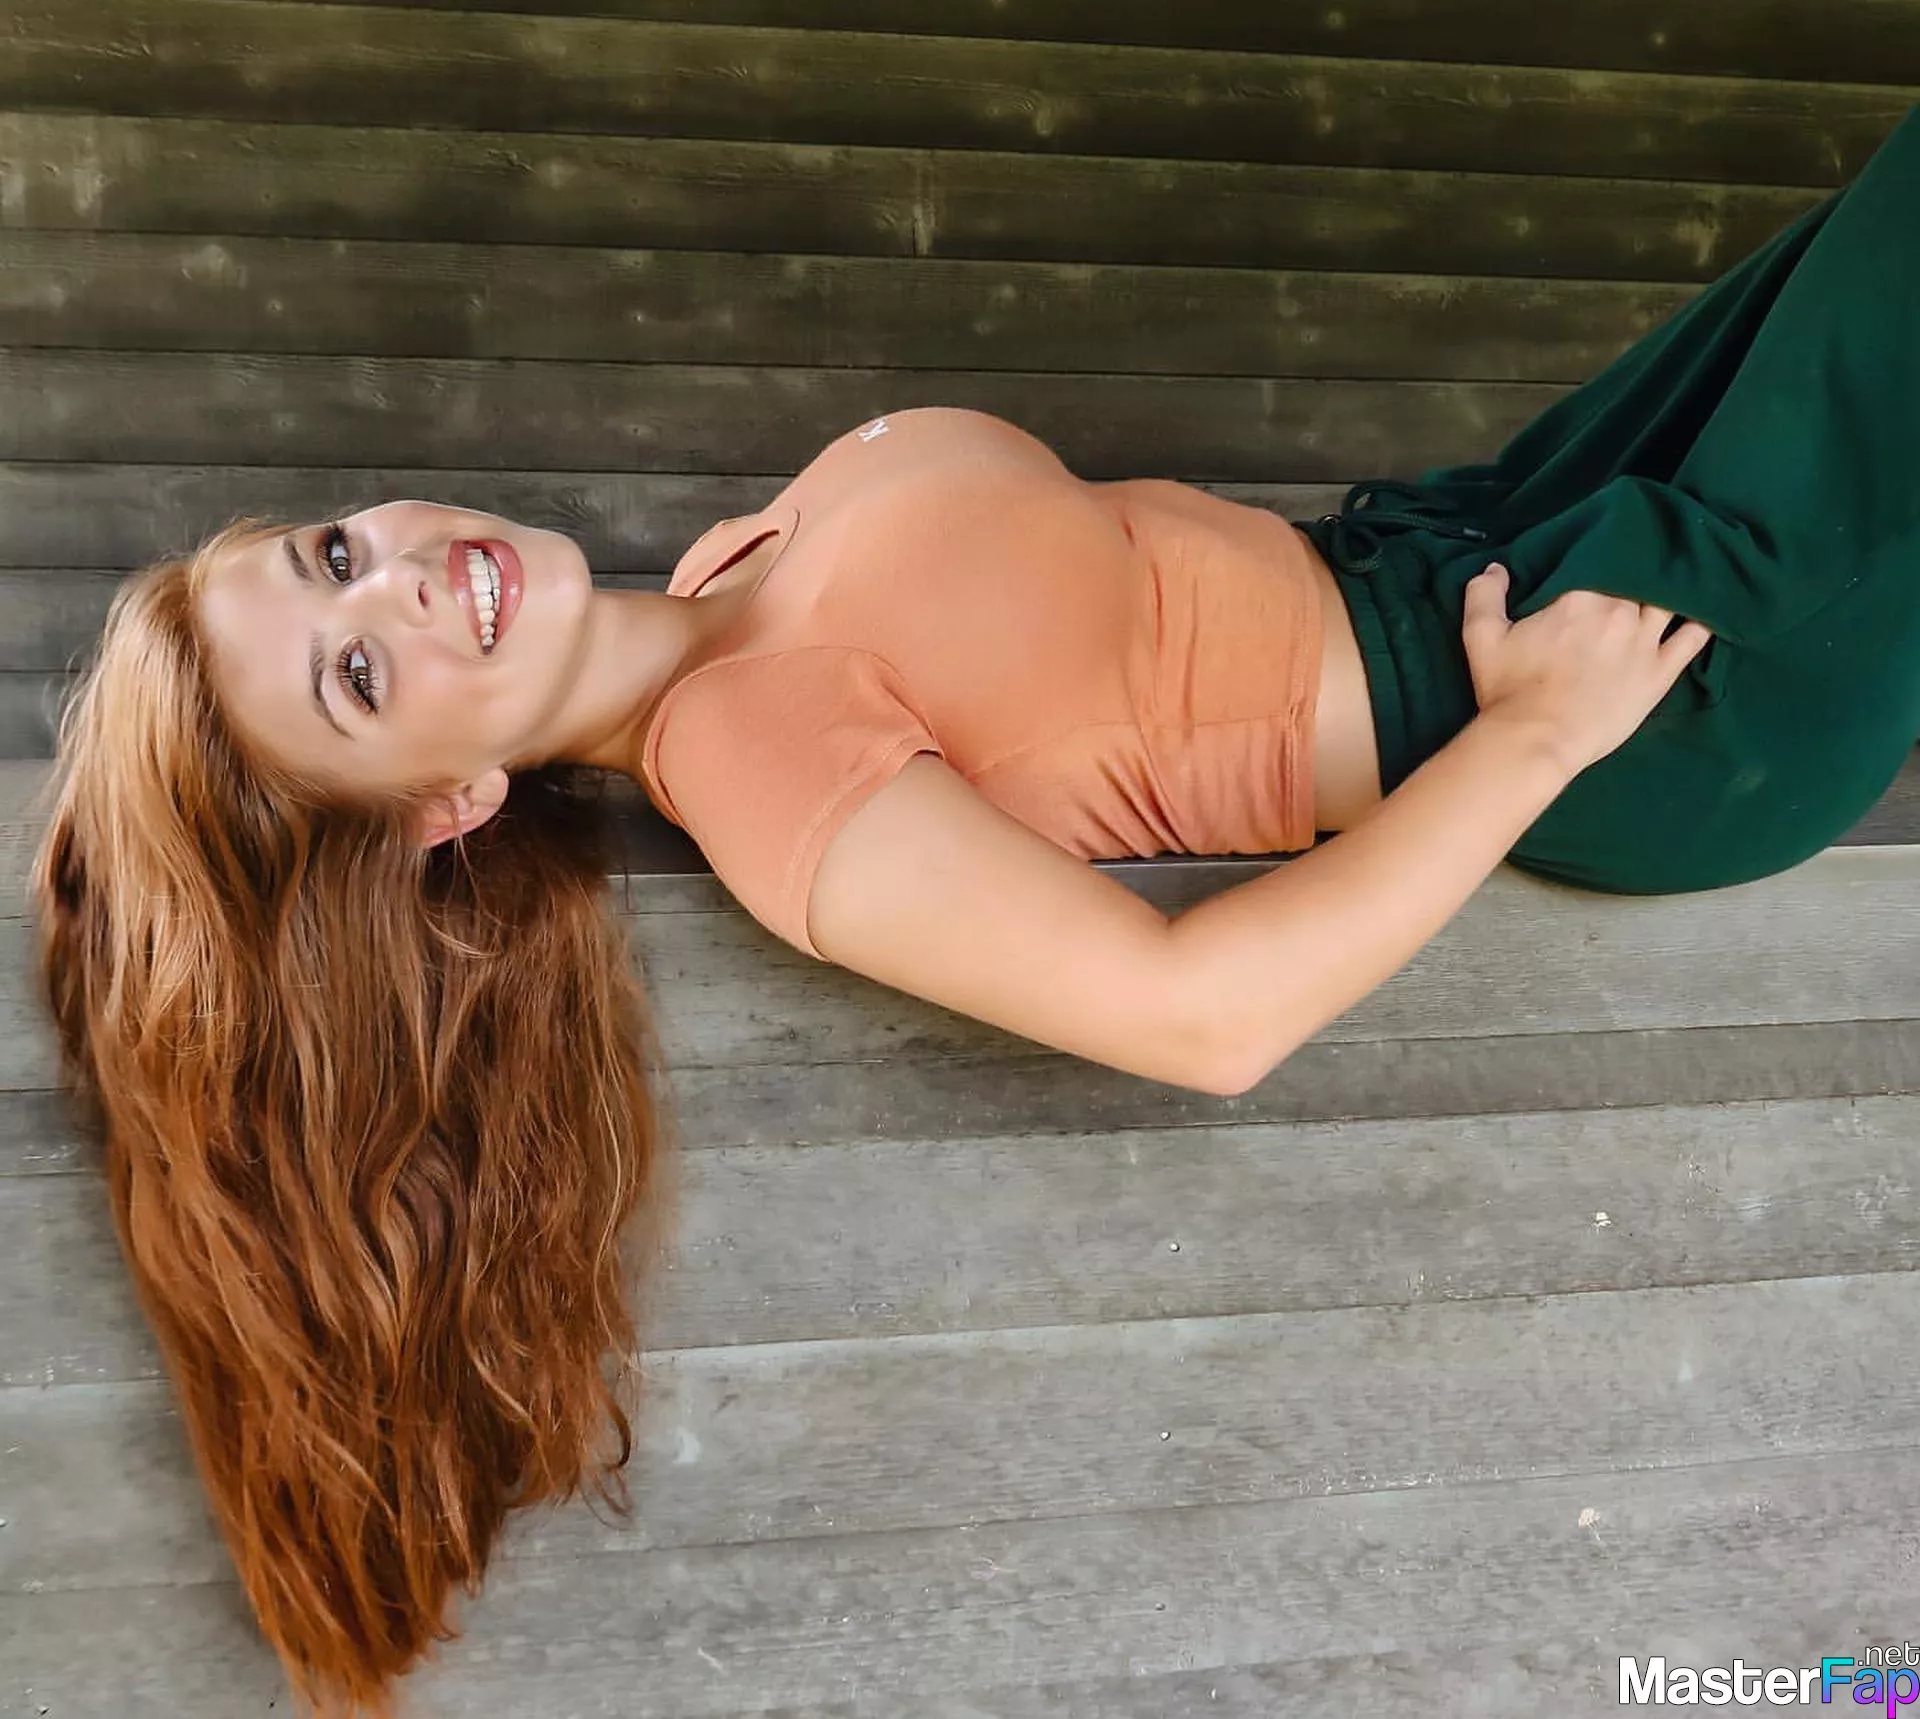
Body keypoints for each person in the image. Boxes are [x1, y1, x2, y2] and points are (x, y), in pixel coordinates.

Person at [31, 100, 1920, 1718]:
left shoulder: (729, 572)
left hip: (1501, 539)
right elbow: (1202, 1018)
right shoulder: (757, 767)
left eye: (333, 556)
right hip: (1624, 687)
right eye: (359, 675)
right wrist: (1535, 742)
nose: (403, 583)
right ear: (447, 805)